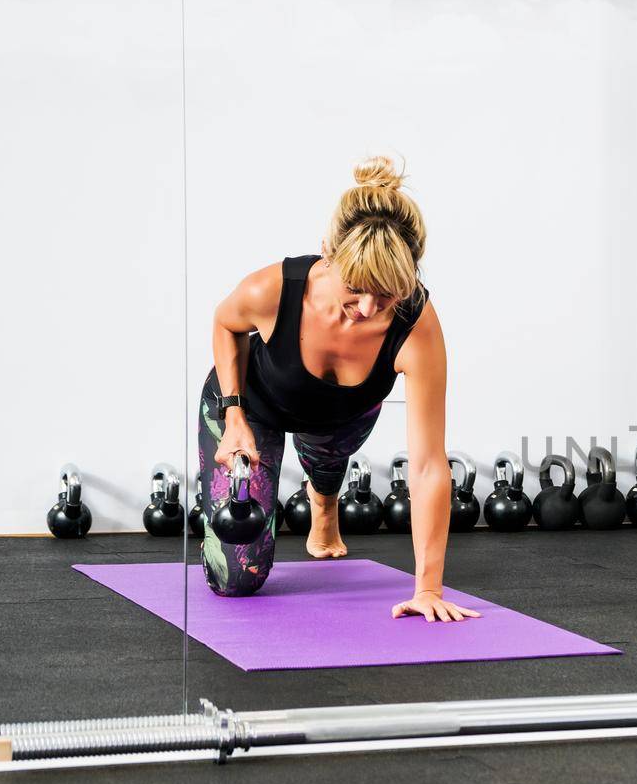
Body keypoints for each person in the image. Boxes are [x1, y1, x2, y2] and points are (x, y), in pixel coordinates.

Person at [197, 155, 480, 624]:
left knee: (336, 438)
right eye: (357, 287)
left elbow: (429, 464)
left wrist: (428, 587)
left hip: (342, 414)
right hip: (253, 405)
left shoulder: (416, 327)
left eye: (386, 294)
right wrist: (233, 417)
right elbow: (226, 324)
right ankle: (304, 478)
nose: (368, 307)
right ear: (329, 251)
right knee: (234, 581)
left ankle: (323, 492)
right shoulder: (275, 289)